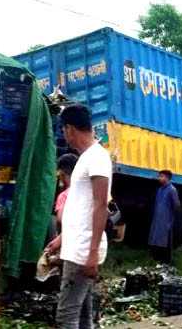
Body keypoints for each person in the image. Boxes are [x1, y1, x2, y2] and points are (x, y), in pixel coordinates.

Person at [45, 104, 112, 329]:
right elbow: (82, 207)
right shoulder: (85, 157)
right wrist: (61, 239)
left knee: (67, 317)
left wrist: (92, 253)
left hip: (83, 251)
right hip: (79, 247)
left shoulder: (96, 157)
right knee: (82, 316)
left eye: (63, 130)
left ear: (69, 129)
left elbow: (100, 205)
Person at [148, 170, 180, 264]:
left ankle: (167, 262)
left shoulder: (172, 190)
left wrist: (173, 219)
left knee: (166, 241)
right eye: (159, 176)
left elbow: (176, 206)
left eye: (161, 176)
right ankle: (157, 260)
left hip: (167, 219)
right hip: (158, 218)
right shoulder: (160, 190)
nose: (159, 178)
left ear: (167, 178)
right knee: (156, 239)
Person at [55, 153, 79, 233]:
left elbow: (60, 220)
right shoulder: (88, 191)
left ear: (62, 174)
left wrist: (60, 237)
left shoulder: (64, 196)